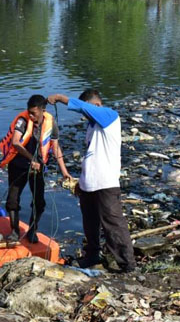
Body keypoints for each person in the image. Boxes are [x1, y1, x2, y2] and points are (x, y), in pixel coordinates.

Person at [48, 89, 136, 272]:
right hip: (89, 184)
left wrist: (60, 98)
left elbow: (81, 107)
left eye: (89, 110)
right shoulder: (92, 127)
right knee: (90, 223)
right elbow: (92, 156)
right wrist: (81, 182)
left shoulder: (110, 117)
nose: (86, 116)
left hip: (106, 183)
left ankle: (127, 265)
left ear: (96, 105)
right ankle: (92, 256)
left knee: (113, 224)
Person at [0, 95, 71, 243]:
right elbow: (16, 142)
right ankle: (14, 230)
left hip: (38, 169)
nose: (31, 116)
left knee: (39, 202)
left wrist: (64, 172)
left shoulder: (51, 123)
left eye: (34, 113)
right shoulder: (22, 120)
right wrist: (31, 158)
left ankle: (33, 230)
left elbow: (55, 148)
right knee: (12, 200)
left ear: (43, 111)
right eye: (29, 112)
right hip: (18, 166)